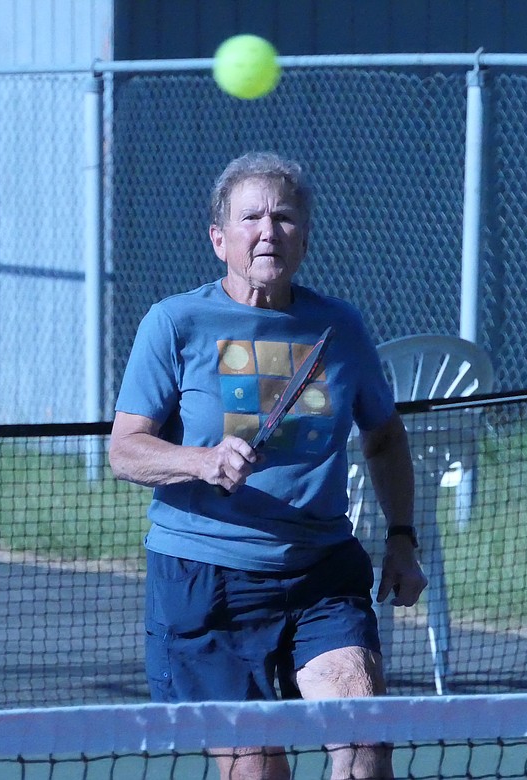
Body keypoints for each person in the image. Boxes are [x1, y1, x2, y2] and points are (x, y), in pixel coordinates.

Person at [109, 151, 427, 780]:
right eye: (250, 217)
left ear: (305, 237)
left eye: (283, 217)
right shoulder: (174, 324)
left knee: (366, 748)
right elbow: (124, 449)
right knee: (256, 771)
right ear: (218, 237)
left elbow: (386, 437)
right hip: (206, 583)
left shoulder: (338, 327)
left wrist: (400, 537)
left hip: (322, 576)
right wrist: (201, 461)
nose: (267, 231)